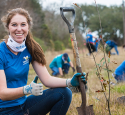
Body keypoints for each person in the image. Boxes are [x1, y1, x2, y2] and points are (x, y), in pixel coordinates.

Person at [0, 8, 87, 115]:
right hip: (4, 110)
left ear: (28, 27)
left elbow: (47, 80)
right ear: (8, 27)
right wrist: (26, 89)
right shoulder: (1, 52)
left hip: (24, 105)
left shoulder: (30, 48)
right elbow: (2, 93)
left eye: (23, 24)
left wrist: (69, 82)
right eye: (14, 25)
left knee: (64, 93)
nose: (19, 29)